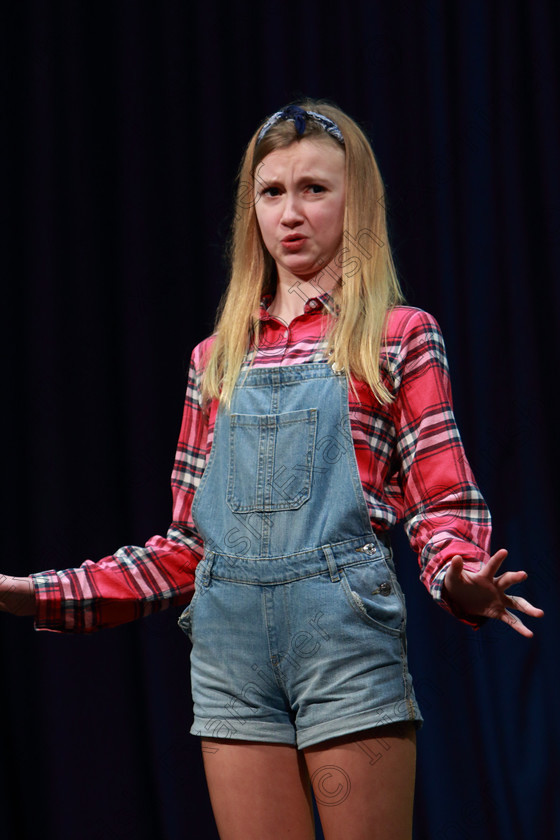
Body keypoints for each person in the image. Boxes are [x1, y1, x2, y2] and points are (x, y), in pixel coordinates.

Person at [0, 100, 543, 840]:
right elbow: (188, 548)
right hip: (231, 653)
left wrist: (461, 577)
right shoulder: (215, 358)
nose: (291, 212)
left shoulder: (396, 336)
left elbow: (440, 500)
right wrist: (36, 595)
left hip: (342, 637)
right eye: (272, 192)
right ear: (250, 207)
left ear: (356, 204)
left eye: (315, 189)